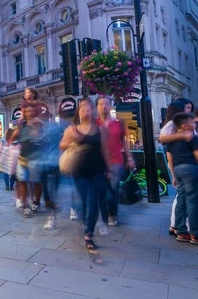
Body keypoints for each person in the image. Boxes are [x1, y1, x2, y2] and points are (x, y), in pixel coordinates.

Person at [59, 98, 108, 251]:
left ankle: (89, 234)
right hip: (79, 170)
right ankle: (87, 224)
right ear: (78, 112)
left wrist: (110, 169)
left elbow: (105, 150)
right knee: (84, 203)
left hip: (98, 169)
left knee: (93, 203)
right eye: (82, 108)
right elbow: (62, 145)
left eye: (88, 108)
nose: (85, 110)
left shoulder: (100, 129)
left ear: (93, 110)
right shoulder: (72, 129)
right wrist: (73, 140)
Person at [96, 96, 135, 229]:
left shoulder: (118, 123)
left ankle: (112, 214)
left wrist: (129, 158)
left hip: (115, 161)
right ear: (97, 107)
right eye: (101, 104)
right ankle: (104, 214)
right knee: (101, 190)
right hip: (98, 162)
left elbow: (123, 141)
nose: (104, 106)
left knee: (113, 189)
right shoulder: (94, 124)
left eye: (106, 104)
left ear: (110, 106)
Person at [165, 113, 198, 244]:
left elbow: (170, 158)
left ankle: (181, 231)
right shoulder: (191, 137)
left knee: (181, 200)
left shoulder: (171, 139)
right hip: (190, 168)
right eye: (192, 122)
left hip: (178, 169)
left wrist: (173, 175)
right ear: (184, 126)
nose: (194, 124)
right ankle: (195, 234)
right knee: (193, 201)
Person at [159, 100, 189, 235]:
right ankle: (179, 225)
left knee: (182, 196)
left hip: (180, 161)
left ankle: (178, 224)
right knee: (183, 196)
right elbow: (162, 138)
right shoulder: (173, 124)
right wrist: (182, 135)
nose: (188, 111)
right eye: (186, 109)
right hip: (180, 161)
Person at [11, 102, 44, 218]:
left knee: (37, 182)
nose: (29, 113)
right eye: (26, 112)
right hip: (22, 157)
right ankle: (25, 206)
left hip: (35, 158)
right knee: (22, 181)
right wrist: (16, 131)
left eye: (31, 111)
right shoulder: (21, 124)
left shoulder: (39, 124)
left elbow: (43, 139)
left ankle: (37, 201)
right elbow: (12, 137)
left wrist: (37, 134)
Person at [38, 111, 63, 230]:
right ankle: (51, 212)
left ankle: (51, 215)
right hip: (44, 163)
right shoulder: (40, 128)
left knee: (50, 190)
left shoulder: (52, 128)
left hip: (52, 162)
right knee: (48, 190)